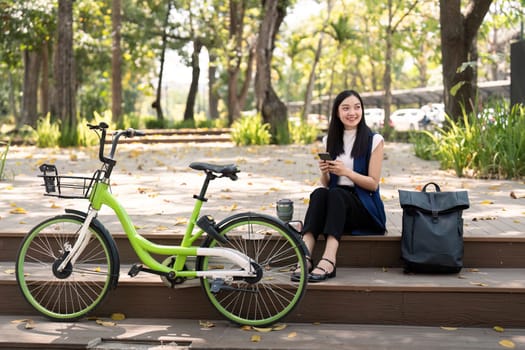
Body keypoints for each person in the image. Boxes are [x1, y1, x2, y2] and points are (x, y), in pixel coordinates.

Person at [292, 90, 386, 283]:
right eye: (346, 108)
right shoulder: (329, 140)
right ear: (337, 112)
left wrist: (347, 173)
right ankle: (305, 255)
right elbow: (327, 184)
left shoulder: (374, 140)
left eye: (357, 107)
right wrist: (325, 171)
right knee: (319, 193)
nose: (352, 112)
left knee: (336, 195)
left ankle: (329, 259)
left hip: (364, 209)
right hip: (337, 204)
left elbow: (373, 184)